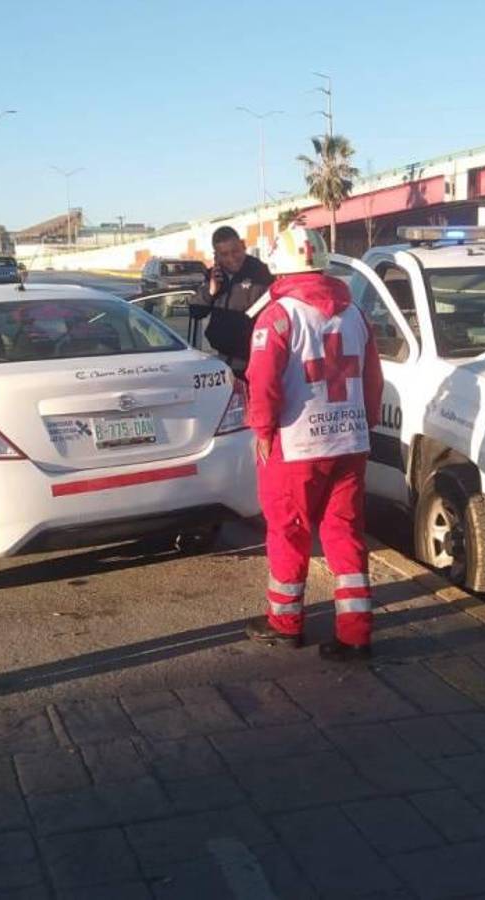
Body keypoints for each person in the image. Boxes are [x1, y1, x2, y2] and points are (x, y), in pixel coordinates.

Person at [244, 226, 384, 661]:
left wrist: (262, 431)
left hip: (296, 444)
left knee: (289, 531)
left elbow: (262, 382)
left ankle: (285, 623)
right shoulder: (355, 313)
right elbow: (374, 379)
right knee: (344, 532)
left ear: (279, 266)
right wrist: (365, 424)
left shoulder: (279, 315)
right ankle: (355, 633)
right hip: (350, 440)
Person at [191, 225, 274, 372]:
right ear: (216, 255)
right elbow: (196, 312)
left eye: (235, 251)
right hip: (224, 360)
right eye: (224, 254)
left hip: (256, 357)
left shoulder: (261, 272)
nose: (231, 258)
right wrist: (211, 291)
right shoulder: (213, 276)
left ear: (243, 246)